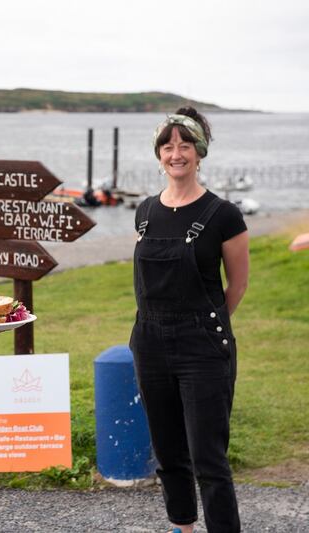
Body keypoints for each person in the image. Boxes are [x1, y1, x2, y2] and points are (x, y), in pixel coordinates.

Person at [130, 107, 249, 533]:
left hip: (202, 346)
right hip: (149, 342)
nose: (175, 153)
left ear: (199, 152)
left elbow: (235, 286)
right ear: (159, 153)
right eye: (168, 144)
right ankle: (183, 527)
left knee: (209, 459)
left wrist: (202, 325)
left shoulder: (224, 215)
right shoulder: (144, 211)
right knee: (168, 452)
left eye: (184, 144)